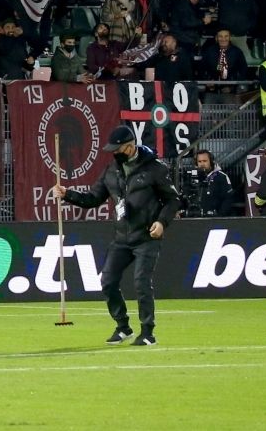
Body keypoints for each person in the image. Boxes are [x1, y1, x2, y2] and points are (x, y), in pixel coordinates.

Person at [52, 125, 180, 347]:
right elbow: (93, 198)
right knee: (108, 281)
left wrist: (162, 222)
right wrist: (67, 194)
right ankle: (123, 327)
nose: (113, 152)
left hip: (147, 237)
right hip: (122, 238)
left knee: (141, 282)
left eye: (117, 148)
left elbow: (173, 200)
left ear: (130, 147)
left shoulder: (155, 169)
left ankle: (148, 332)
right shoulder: (111, 170)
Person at [179, 149, 234, 217]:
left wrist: (219, 216)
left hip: (214, 220)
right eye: (199, 161)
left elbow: (228, 199)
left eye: (205, 161)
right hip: (193, 219)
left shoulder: (221, 177)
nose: (202, 164)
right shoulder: (190, 177)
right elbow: (183, 196)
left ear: (211, 162)